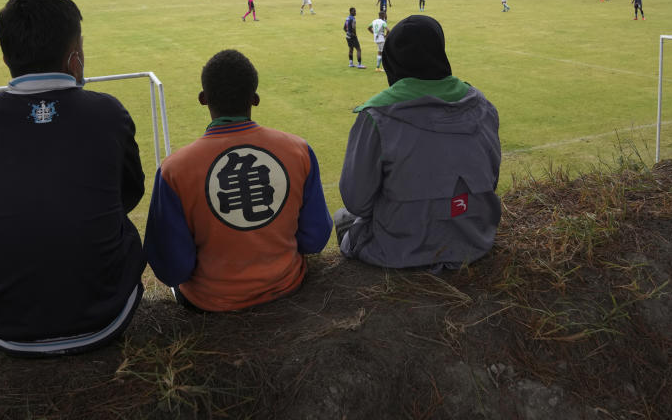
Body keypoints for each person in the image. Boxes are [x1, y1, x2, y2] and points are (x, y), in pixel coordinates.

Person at [0, 0, 146, 356]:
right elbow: (130, 195)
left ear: (6, 57)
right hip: (106, 317)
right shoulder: (107, 113)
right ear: (76, 58)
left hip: (3, 325)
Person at [143, 50, 332, 312]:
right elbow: (315, 239)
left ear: (203, 99)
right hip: (287, 287)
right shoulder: (299, 150)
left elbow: (172, 268)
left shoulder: (173, 170)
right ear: (255, 99)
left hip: (210, 303)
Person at [334, 15, 502, 270]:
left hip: (399, 249)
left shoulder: (376, 115)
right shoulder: (481, 104)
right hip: (475, 239)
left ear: (392, 59)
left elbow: (356, 202)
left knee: (343, 218)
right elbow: (491, 181)